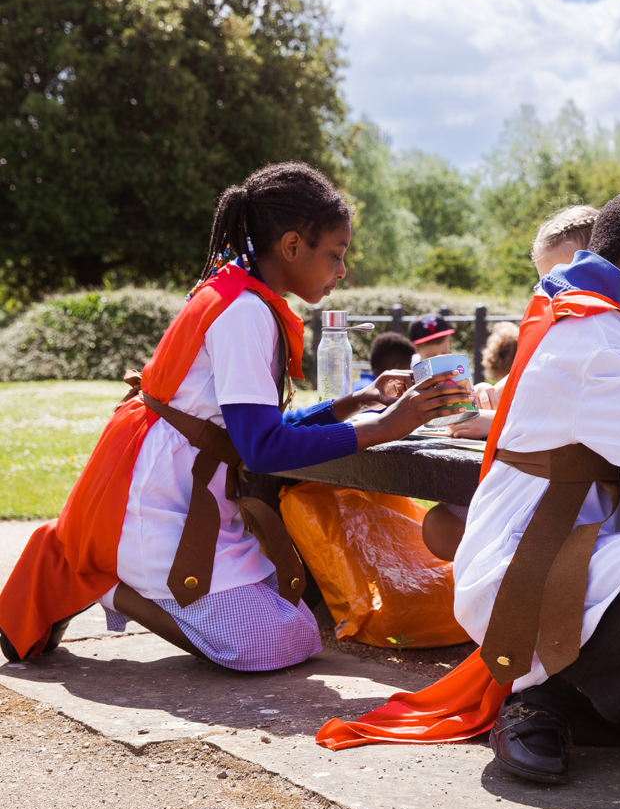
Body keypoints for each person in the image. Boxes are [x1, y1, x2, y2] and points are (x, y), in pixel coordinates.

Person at [317, 186, 620, 783]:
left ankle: (563, 703)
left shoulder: (599, 318)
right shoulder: (594, 331)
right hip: (529, 562)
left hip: (581, 553)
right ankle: (541, 702)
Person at [0, 162, 471, 669]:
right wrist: (385, 427)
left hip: (164, 486)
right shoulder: (244, 312)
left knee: (293, 610)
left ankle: (86, 556)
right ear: (292, 246)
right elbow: (263, 450)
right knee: (279, 642)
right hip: (155, 502)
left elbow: (255, 430)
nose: (341, 271)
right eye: (335, 255)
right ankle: (106, 580)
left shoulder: (240, 294)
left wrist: (352, 404)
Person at [422, 205, 602, 560]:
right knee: (440, 524)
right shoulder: (552, 330)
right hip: (540, 479)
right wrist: (487, 395)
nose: (554, 292)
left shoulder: (604, 334)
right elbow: (516, 387)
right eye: (544, 283)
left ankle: (531, 585)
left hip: (578, 494)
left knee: (447, 527)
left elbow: (570, 421)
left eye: (567, 279)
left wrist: (493, 423)